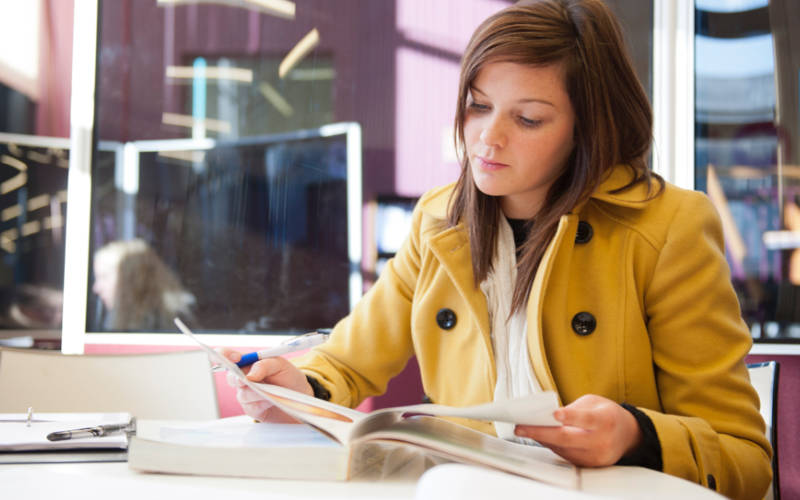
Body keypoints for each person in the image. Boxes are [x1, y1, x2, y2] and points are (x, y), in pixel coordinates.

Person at [223, 1, 771, 498]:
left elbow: (745, 459)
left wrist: (637, 434)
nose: (487, 138)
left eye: (527, 118)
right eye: (478, 106)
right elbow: (347, 362)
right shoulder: (440, 221)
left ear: (587, 128)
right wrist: (299, 388)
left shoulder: (668, 226)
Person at [92, 239, 195, 331]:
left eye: (104, 277)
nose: (96, 288)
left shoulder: (173, 324)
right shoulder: (116, 321)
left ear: (132, 280)